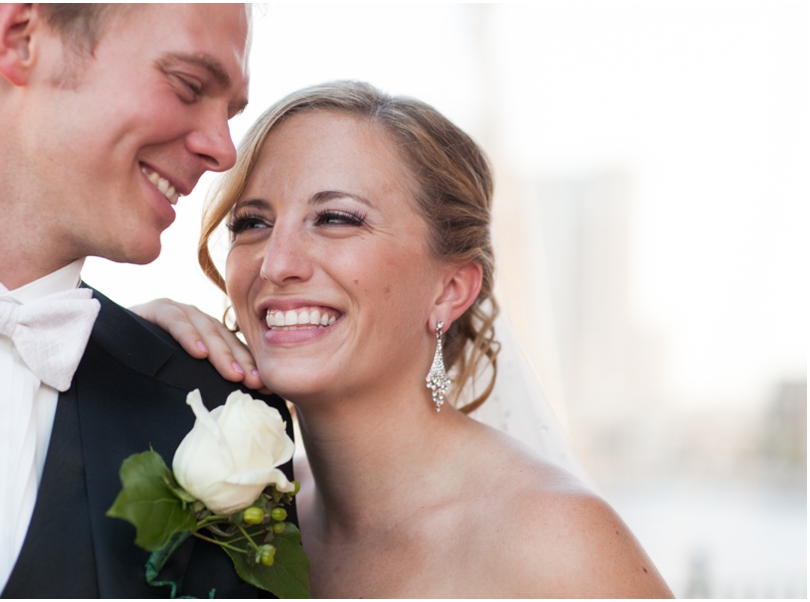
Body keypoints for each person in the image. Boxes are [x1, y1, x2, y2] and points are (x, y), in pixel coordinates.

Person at [137, 80, 675, 597]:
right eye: (252, 223)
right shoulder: (246, 511)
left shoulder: (552, 539)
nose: (275, 264)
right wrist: (120, 349)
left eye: (336, 218)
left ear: (450, 288)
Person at [0, 4, 293, 598]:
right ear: (20, 35)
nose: (225, 151)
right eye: (190, 85)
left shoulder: (219, 420)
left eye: (230, 112)